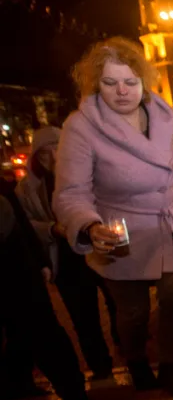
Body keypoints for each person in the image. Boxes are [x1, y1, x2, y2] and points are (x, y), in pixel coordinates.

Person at [53, 37, 173, 396]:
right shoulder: (81, 126)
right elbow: (72, 191)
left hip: (167, 224)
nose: (122, 91)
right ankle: (136, 360)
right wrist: (89, 225)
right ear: (96, 84)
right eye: (110, 83)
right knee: (134, 312)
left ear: (144, 82)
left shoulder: (162, 114)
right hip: (119, 230)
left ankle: (170, 366)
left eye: (130, 82)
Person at [16, 126, 118, 379]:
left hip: (98, 251)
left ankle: (130, 354)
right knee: (83, 318)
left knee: (119, 304)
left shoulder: (89, 176)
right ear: (36, 158)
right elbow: (26, 225)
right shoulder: (28, 189)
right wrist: (53, 229)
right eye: (43, 153)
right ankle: (101, 367)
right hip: (64, 259)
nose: (51, 157)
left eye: (56, 149)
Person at [0, 183, 91, 400]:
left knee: (41, 331)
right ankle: (17, 385)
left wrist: (40, 261)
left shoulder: (4, 191)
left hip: (18, 269)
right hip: (18, 269)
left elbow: (21, 224)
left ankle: (73, 393)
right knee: (35, 332)